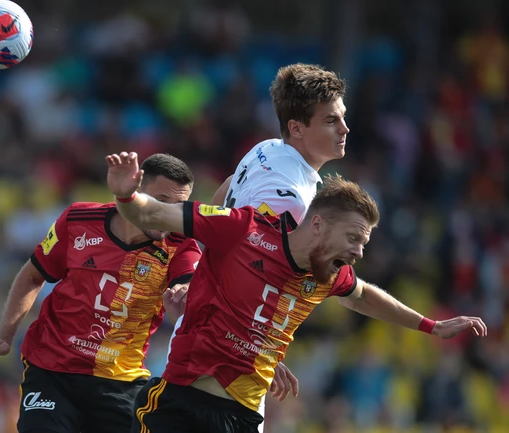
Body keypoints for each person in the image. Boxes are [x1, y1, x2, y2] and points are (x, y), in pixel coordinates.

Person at [105, 151, 488, 433]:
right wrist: (126, 197)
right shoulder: (244, 229)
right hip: (181, 404)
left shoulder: (328, 274)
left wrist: (430, 326)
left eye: (364, 243)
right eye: (353, 238)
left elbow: (363, 296)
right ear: (317, 224)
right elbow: (157, 215)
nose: (358, 252)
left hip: (242, 417)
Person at [0, 153, 201, 433]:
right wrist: (5, 335)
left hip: (120, 381)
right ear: (137, 192)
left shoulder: (181, 246)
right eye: (161, 202)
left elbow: (190, 292)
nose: (167, 215)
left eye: (178, 207)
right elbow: (32, 275)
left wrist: (184, 299)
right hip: (52, 371)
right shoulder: (79, 220)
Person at [168, 62, 350, 419]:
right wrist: (253, 343)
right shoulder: (291, 201)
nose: (344, 128)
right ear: (296, 128)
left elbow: (218, 205)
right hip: (220, 357)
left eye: (342, 117)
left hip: (217, 340)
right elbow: (250, 268)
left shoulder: (265, 149)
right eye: (331, 120)